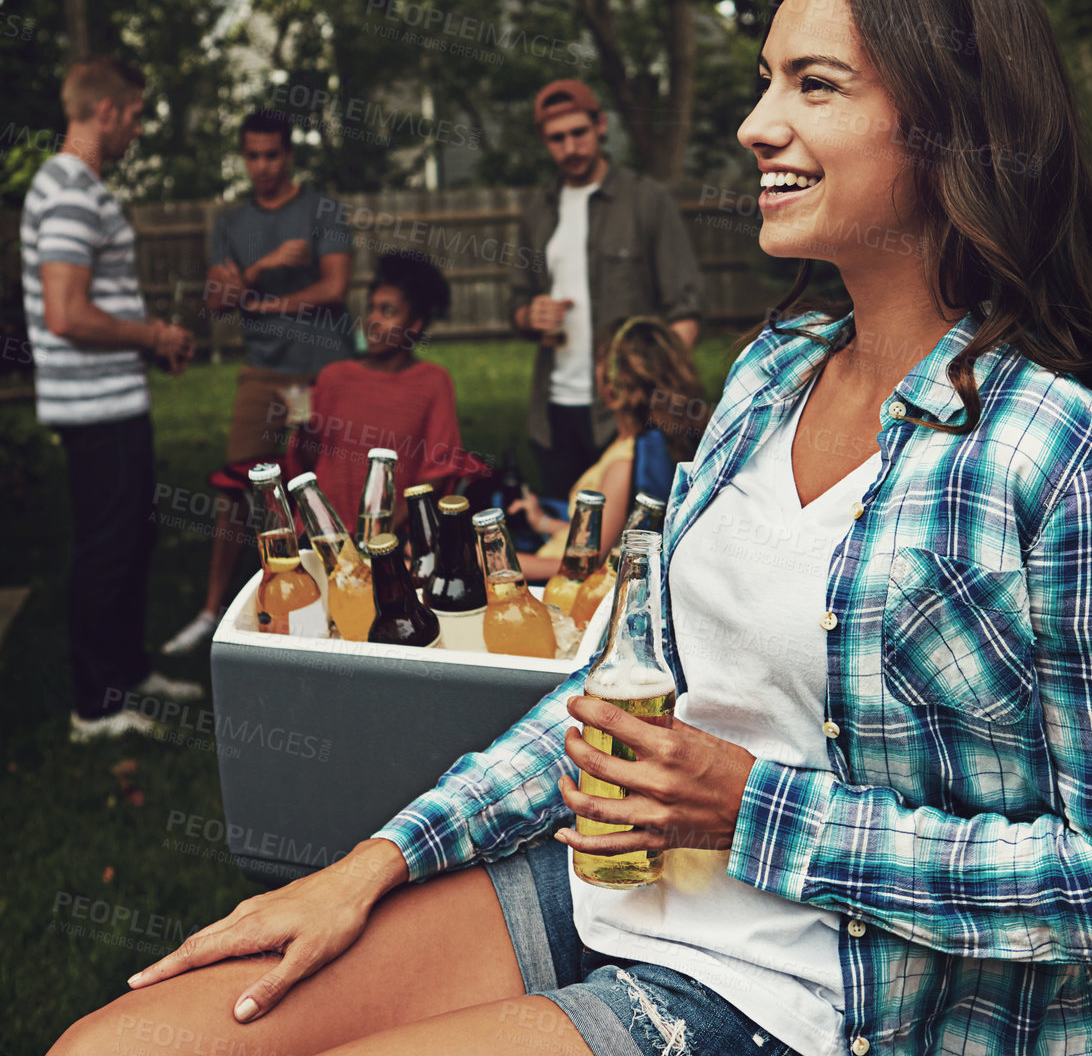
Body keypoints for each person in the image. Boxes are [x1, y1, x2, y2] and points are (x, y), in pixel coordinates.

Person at [32, 0, 1092, 1056]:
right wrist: (377, 857)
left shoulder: (1048, 451)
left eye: (813, 84)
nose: (754, 122)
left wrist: (752, 809)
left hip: (801, 1011)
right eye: (763, 77)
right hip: (605, 883)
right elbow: (622, 687)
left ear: (951, 124)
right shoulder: (773, 375)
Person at [19, 57, 202, 742]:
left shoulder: (82, 188)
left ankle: (127, 672)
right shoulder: (67, 187)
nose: (139, 127)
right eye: (136, 113)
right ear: (107, 111)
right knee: (106, 546)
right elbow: (66, 313)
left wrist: (147, 345)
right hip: (94, 408)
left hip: (114, 395)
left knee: (131, 537)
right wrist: (151, 331)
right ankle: (95, 707)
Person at [162, 109, 352, 654]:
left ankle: (333, 601)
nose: (263, 166)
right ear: (244, 157)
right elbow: (217, 301)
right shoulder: (229, 221)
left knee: (314, 487)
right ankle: (212, 609)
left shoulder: (321, 209)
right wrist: (262, 268)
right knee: (234, 488)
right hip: (262, 370)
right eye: (253, 156)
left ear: (289, 154)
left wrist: (265, 300)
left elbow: (335, 287)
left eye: (272, 154)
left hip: (316, 371)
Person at [509, 78, 704, 502]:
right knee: (567, 536)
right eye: (557, 139)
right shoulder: (538, 211)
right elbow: (518, 303)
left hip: (632, 409)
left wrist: (659, 395)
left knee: (632, 541)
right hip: (555, 409)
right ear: (544, 142)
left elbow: (684, 309)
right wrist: (530, 316)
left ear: (600, 126)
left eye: (579, 133)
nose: (570, 147)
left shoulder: (646, 200)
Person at [285, 250, 491, 534]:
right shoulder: (334, 377)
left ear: (415, 325)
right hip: (322, 533)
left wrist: (381, 533)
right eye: (371, 308)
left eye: (388, 311)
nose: (372, 320)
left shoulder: (433, 382)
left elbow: (436, 475)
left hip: (389, 538)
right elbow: (305, 465)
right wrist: (302, 423)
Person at [514, 316, 709, 583]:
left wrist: (496, 563)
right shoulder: (631, 445)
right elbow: (602, 532)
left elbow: (585, 566)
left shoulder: (623, 464)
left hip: (561, 589)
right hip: (556, 549)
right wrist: (543, 522)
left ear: (612, 388)